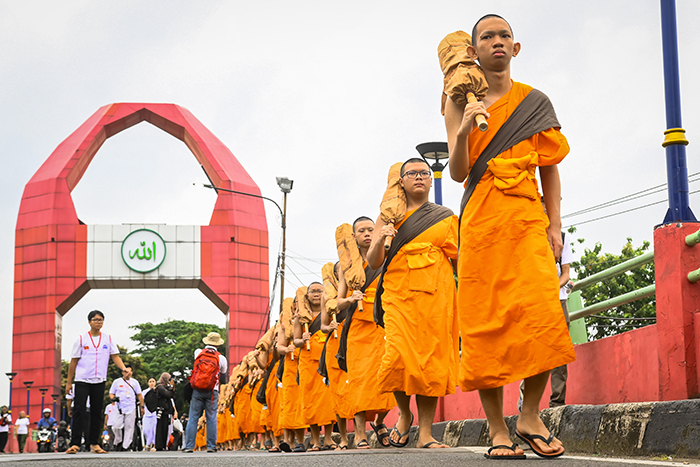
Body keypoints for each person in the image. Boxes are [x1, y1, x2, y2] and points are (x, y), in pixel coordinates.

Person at [444, 14, 576, 459]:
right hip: (481, 223)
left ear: (515, 49)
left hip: (525, 218)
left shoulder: (535, 102)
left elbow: (551, 170)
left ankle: (531, 414)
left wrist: (554, 225)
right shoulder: (458, 99)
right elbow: (459, 171)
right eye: (487, 37)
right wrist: (464, 127)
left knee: (541, 314)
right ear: (474, 50)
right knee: (485, 325)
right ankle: (498, 428)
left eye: (504, 36)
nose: (497, 42)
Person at [367, 159, 459, 449]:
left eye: (424, 173)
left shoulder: (445, 216)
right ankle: (405, 414)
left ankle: (427, 433)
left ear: (431, 181)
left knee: (429, 361)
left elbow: (459, 259)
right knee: (397, 355)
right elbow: (373, 262)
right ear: (401, 181)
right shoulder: (388, 218)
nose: (419, 177)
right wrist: (381, 237)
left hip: (435, 297)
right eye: (412, 173)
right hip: (397, 296)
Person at [332, 218, 396, 449]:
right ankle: (359, 433)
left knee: (389, 376)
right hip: (358, 328)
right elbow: (337, 302)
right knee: (360, 380)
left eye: (371, 229)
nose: (367, 234)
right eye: (362, 231)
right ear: (354, 236)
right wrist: (350, 299)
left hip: (384, 323)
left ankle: (379, 422)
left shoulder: (386, 256)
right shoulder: (347, 266)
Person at [65, 310, 127, 454]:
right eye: (95, 319)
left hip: (99, 380)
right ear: (89, 322)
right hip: (82, 380)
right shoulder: (81, 339)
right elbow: (73, 361)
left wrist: (123, 368)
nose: (98, 322)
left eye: (101, 320)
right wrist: (69, 383)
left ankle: (94, 443)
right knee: (79, 411)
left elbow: (115, 356)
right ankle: (75, 444)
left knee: (96, 412)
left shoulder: (108, 339)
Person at [294, 284, 336, 451]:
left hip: (326, 359)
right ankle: (315, 440)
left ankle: (328, 439)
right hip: (307, 362)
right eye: (313, 291)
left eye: (320, 291)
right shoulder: (301, 317)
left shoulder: (330, 310)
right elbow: (296, 340)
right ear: (307, 295)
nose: (317, 294)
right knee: (310, 400)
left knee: (327, 399)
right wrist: (302, 339)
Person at [183, 332, 228, 453]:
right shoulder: (221, 358)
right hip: (213, 390)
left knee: (193, 417)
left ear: (207, 342)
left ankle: (189, 446)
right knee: (211, 418)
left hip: (197, 389)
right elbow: (224, 371)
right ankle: (211, 446)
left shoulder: (198, 352)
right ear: (218, 345)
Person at [109, 364, 144, 451]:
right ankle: (118, 441)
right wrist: (113, 398)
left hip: (131, 407)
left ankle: (126, 445)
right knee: (116, 426)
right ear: (123, 372)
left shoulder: (135, 382)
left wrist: (142, 407)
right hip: (119, 407)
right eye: (126, 371)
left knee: (130, 427)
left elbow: (139, 395)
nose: (128, 373)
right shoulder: (117, 382)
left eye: (130, 371)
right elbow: (111, 393)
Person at [154, 373, 176, 451]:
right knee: (160, 427)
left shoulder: (166, 387)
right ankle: (159, 445)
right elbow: (167, 394)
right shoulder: (160, 387)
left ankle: (163, 444)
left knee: (165, 428)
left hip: (166, 410)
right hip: (161, 410)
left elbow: (173, 396)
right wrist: (171, 387)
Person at [141, 377, 157, 450]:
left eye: (153, 381)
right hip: (146, 413)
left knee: (154, 430)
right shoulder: (144, 392)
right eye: (150, 381)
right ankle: (148, 443)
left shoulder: (157, 391)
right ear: (148, 383)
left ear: (155, 382)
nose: (152, 383)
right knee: (146, 430)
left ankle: (153, 444)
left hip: (155, 414)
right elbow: (141, 401)